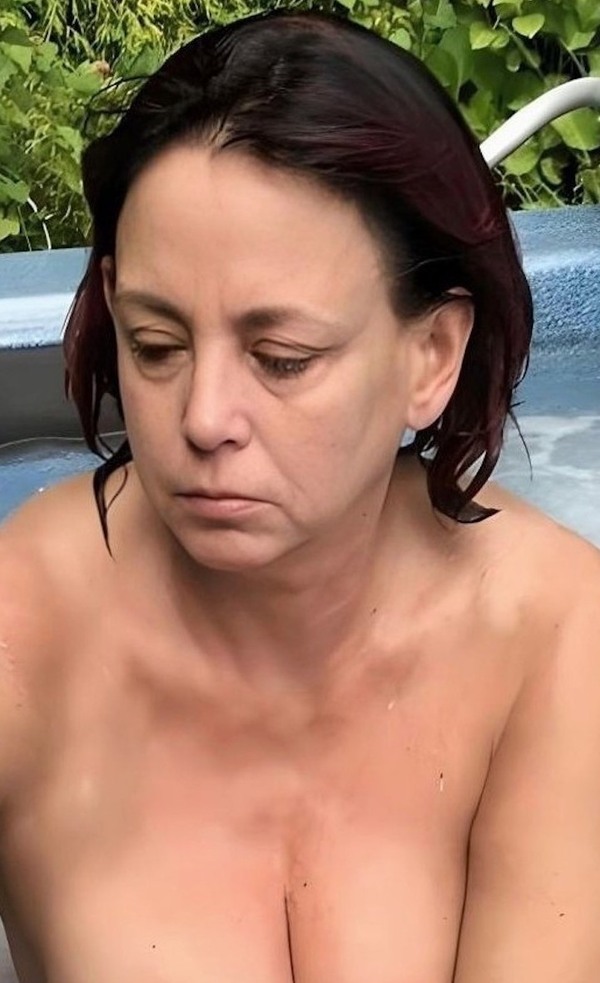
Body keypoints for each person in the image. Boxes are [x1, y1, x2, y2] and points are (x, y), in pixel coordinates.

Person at [1, 7, 600, 982]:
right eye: (156, 345)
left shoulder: (554, 635)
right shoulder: (29, 631)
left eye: (282, 358)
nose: (204, 417)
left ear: (430, 355)